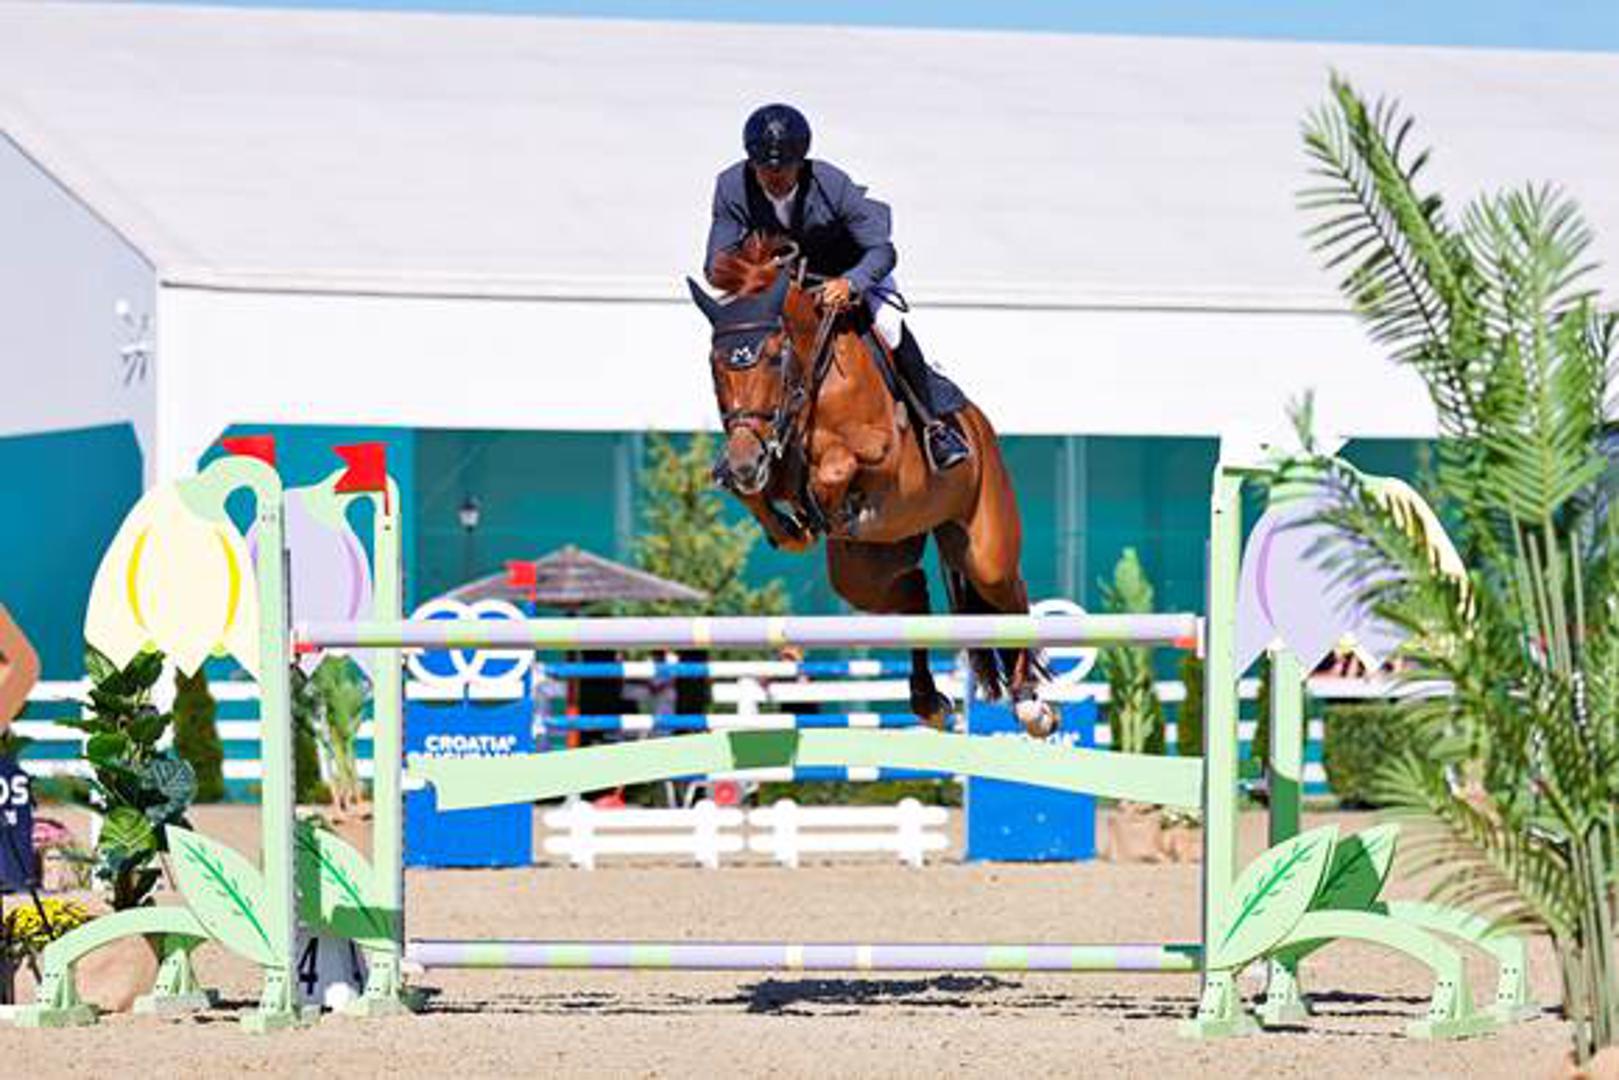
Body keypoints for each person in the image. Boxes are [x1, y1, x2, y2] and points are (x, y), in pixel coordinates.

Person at [704, 102, 971, 472]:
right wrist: (759, 275)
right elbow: (715, 264)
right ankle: (744, 438)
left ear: (801, 162)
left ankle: (934, 427)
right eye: (765, 168)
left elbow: (882, 250)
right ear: (752, 162)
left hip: (852, 272)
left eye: (784, 168)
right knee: (743, 342)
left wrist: (851, 282)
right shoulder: (732, 186)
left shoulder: (831, 184)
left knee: (890, 327)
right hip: (785, 286)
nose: (774, 177)